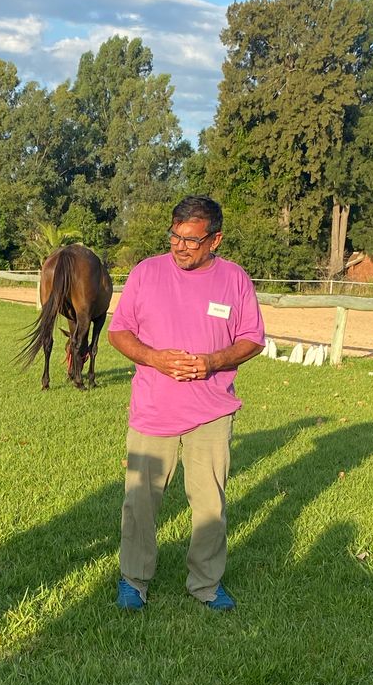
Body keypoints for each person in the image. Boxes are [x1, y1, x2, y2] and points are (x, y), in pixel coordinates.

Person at [107, 195, 265, 611]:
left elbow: (252, 339)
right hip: (153, 409)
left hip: (212, 411)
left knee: (210, 503)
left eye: (192, 240)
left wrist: (212, 362)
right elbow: (119, 332)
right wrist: (154, 358)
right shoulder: (146, 272)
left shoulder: (235, 279)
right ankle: (134, 580)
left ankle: (206, 584)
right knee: (140, 501)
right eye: (175, 236)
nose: (180, 247)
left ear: (216, 240)